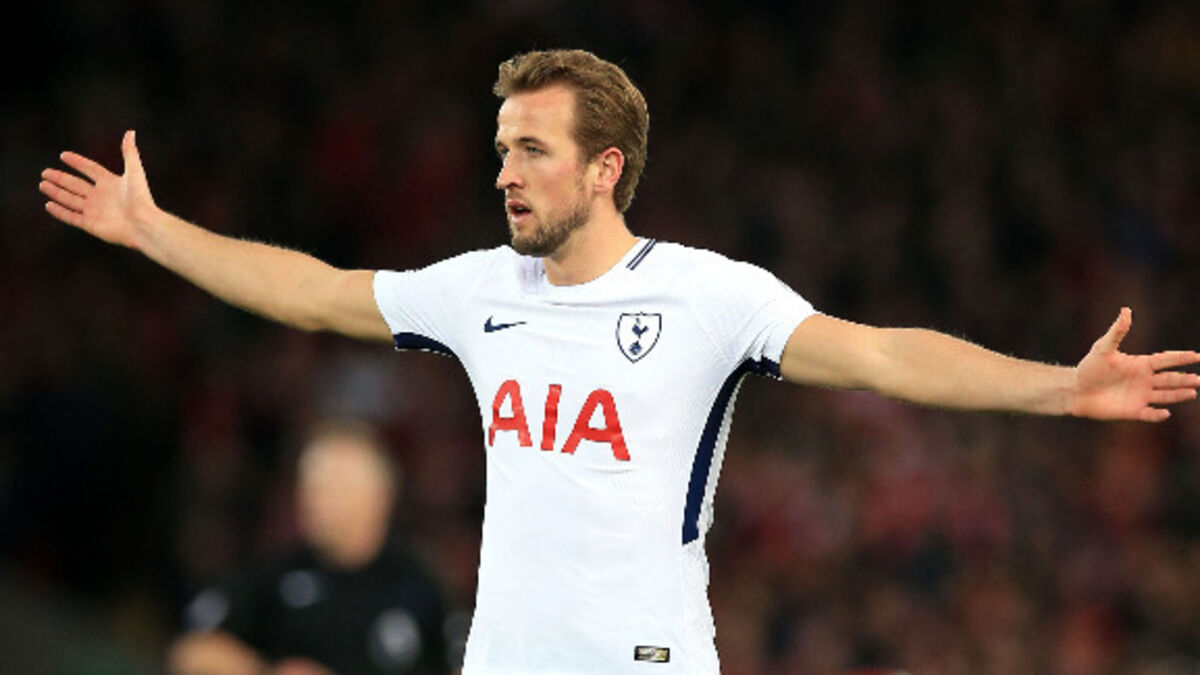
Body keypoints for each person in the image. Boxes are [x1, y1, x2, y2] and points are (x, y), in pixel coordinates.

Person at [40, 49, 1199, 674]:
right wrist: (156, 231)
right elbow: (314, 292)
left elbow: (882, 356)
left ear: (604, 170)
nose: (505, 172)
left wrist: (1059, 386)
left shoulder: (707, 295)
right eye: (502, 148)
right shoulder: (482, 289)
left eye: (532, 150)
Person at [167, 419, 450, 675]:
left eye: (335, 485)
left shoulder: (418, 584)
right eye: (310, 485)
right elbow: (190, 651)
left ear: (380, 496)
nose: (316, 500)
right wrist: (266, 670)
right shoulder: (275, 577)